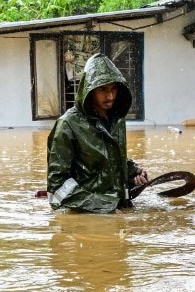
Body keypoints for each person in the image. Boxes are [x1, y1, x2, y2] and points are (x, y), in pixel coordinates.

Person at [46, 54, 149, 213]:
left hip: (119, 209)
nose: (110, 96)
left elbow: (108, 159)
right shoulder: (67, 124)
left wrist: (133, 173)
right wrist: (103, 208)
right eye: (102, 89)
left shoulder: (117, 121)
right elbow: (57, 187)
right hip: (86, 217)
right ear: (88, 89)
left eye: (114, 88)